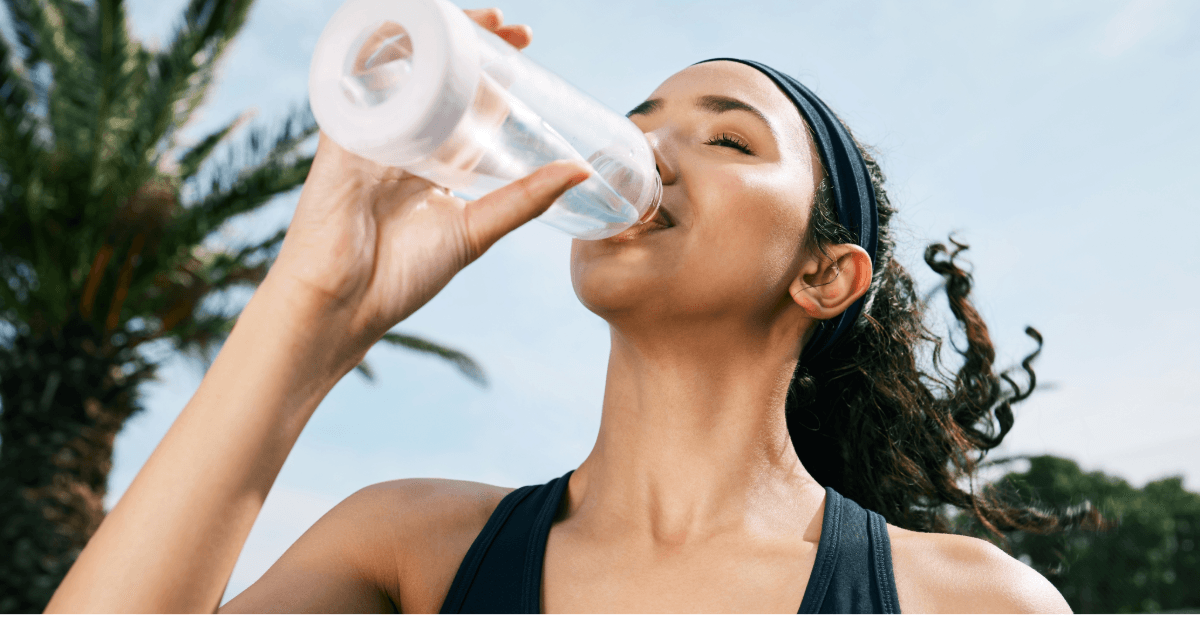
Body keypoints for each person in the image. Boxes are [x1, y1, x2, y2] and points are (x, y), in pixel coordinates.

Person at [46, 7, 1078, 614]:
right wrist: (315, 303)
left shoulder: (967, 603)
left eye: (727, 141)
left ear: (825, 276)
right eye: (631, 128)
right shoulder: (409, 551)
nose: (647, 156)